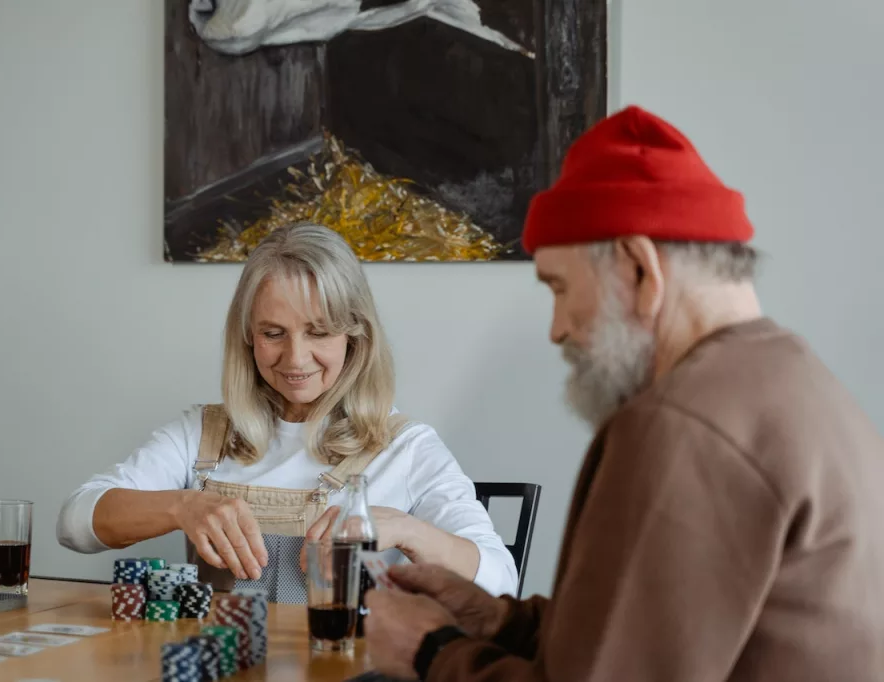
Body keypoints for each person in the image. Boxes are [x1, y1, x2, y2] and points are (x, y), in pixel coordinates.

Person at [365, 105, 884, 681]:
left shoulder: (681, 425)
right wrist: (498, 621)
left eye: (559, 288)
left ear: (640, 269)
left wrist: (429, 650)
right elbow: (650, 637)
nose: (557, 328)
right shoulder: (795, 379)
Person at [56, 222, 517, 601]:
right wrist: (183, 506)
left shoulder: (406, 448)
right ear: (248, 337)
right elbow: (76, 523)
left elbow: (501, 581)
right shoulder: (203, 434)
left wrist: (407, 529)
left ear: (354, 336)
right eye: (273, 333)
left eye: (318, 332)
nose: (295, 360)